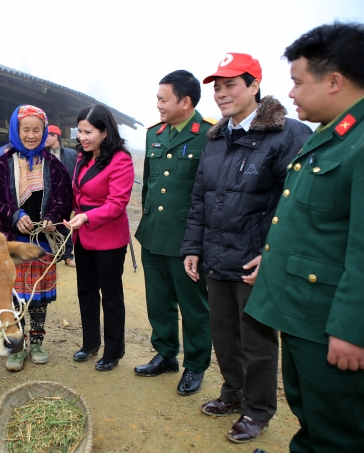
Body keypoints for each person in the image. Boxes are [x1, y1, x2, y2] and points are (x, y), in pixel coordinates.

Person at [245, 22, 364, 452]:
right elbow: (313, 224)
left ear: (334, 81)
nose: (290, 93)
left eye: (297, 82)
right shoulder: (332, 136)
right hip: (303, 313)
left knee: (337, 428)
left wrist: (353, 329)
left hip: (331, 323)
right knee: (310, 413)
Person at [181, 54, 312, 443]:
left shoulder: (287, 135)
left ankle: (257, 410)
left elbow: (297, 202)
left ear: (255, 85)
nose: (221, 94)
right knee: (223, 332)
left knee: (256, 338)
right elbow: (200, 198)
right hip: (217, 255)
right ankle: (232, 392)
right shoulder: (216, 139)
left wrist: (273, 252)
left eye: (231, 85)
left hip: (256, 258)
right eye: (217, 88)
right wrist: (193, 246)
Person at [133, 70, 215, 396]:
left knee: (193, 307)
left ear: (185, 101)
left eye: (163, 99)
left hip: (186, 240)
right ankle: (166, 354)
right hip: (153, 234)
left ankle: (196, 364)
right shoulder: (154, 134)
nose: (158, 105)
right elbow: (150, 186)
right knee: (158, 302)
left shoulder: (208, 135)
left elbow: (210, 193)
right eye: (157, 98)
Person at [0, 105, 72, 372]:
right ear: (16, 130)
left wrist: (51, 218)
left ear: (45, 131)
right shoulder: (1, 165)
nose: (31, 135)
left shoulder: (54, 166)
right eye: (26, 130)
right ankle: (18, 345)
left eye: (37, 130)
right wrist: (13, 215)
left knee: (38, 297)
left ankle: (37, 342)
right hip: (11, 241)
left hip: (41, 243)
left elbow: (63, 199)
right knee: (15, 297)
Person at [64, 104, 134, 372]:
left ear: (105, 132)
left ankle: (113, 351)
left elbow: (117, 203)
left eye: (88, 131)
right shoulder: (83, 157)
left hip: (108, 238)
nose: (82, 136)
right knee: (86, 293)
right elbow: (76, 193)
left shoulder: (120, 159)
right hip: (83, 237)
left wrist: (87, 217)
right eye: (79, 130)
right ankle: (90, 343)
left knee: (111, 297)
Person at [45, 124, 77, 268]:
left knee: (64, 224)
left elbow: (78, 172)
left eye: (47, 135)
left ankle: (68, 255)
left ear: (55, 136)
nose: (44, 138)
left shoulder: (71, 154)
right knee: (46, 224)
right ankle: (51, 253)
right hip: (46, 194)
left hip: (64, 195)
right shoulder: (41, 154)